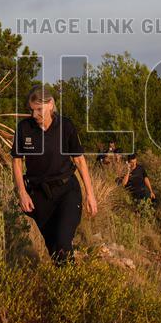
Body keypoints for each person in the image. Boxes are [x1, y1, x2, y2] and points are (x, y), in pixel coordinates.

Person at [12, 83, 98, 264]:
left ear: (50, 104)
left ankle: (75, 287)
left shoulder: (65, 126)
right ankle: (69, 287)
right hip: (39, 197)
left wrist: (90, 195)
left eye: (39, 110)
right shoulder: (24, 128)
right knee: (56, 253)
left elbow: (80, 161)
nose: (34, 115)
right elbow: (17, 160)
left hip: (67, 191)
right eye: (31, 110)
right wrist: (22, 192)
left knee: (62, 243)